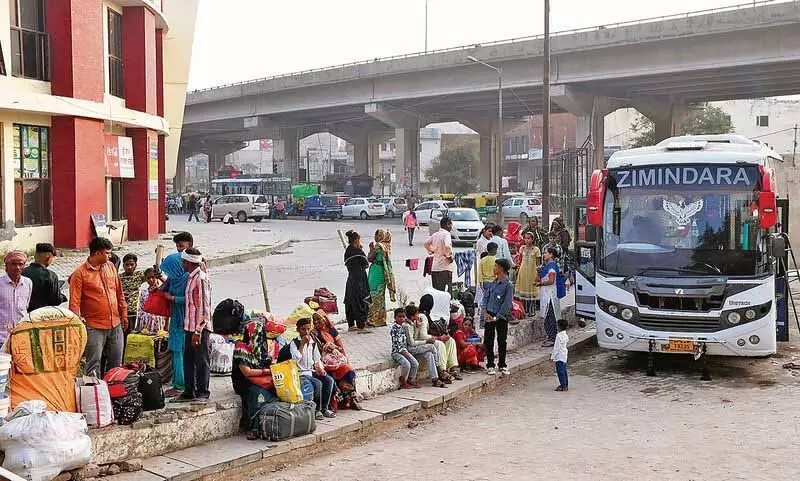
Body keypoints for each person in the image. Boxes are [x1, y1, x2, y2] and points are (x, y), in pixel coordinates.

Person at [69, 237, 127, 377]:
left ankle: (114, 395)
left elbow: (119, 292)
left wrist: (124, 314)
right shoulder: (80, 274)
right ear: (96, 253)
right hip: (94, 327)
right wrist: (78, 322)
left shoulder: (111, 267)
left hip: (115, 324)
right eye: (107, 253)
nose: (110, 256)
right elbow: (74, 302)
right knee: (93, 363)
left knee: (116, 364)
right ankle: (95, 395)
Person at [173, 248, 212, 403]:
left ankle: (202, 392)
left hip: (199, 328)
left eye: (183, 261)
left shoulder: (201, 279)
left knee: (201, 360)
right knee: (188, 359)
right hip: (189, 326)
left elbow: (204, 306)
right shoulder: (190, 277)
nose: (182, 264)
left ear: (188, 262)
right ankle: (189, 391)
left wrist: (198, 330)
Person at [233, 318, 279, 440]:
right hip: (244, 381)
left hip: (261, 379)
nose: (256, 336)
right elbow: (246, 372)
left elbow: (268, 362)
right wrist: (266, 371)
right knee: (257, 394)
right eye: (254, 333)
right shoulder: (241, 347)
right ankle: (252, 427)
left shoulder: (261, 348)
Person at [312, 312, 361, 410]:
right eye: (314, 320)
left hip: (336, 359)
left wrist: (334, 348)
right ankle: (335, 404)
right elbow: (315, 351)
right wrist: (325, 350)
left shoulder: (332, 331)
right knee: (330, 377)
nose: (316, 322)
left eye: (319, 319)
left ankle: (351, 400)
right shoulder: (314, 333)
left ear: (325, 319)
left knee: (349, 372)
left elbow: (340, 347)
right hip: (324, 362)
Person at [291, 318, 336, 420]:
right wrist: (302, 344)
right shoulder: (294, 343)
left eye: (308, 329)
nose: (306, 332)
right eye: (303, 329)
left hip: (311, 371)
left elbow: (316, 359)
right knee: (317, 384)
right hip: (300, 373)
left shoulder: (313, 343)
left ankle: (325, 408)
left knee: (329, 380)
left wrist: (320, 368)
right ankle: (317, 410)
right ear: (298, 330)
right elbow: (295, 359)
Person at [160, 251, 188, 397]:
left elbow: (190, 299)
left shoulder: (188, 278)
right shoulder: (174, 278)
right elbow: (163, 288)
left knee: (179, 352)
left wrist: (173, 298)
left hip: (185, 318)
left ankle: (180, 385)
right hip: (175, 318)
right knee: (175, 350)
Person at [405, 304, 454, 384]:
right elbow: (412, 343)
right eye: (417, 314)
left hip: (415, 348)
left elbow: (416, 335)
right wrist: (426, 341)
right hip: (410, 349)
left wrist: (417, 326)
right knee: (431, 347)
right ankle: (440, 369)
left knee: (429, 355)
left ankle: (434, 379)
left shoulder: (413, 323)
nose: (418, 315)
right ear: (413, 315)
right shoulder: (407, 326)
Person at [417, 294, 461, 379]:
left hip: (429, 338)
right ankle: (442, 371)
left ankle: (452, 367)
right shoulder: (422, 316)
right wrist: (439, 338)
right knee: (439, 344)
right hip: (421, 341)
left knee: (450, 341)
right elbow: (422, 336)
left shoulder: (427, 315)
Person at [482, 259, 513, 376]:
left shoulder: (508, 285)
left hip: (501, 316)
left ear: (501, 269)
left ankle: (502, 364)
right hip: (490, 314)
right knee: (488, 340)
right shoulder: (492, 284)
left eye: (496, 266)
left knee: (501, 341)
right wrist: (485, 312)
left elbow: (507, 303)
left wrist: (497, 316)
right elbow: (485, 298)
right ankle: (490, 364)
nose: (494, 268)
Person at [0, 251, 32, 345]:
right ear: (6, 267)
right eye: (13, 264)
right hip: (2, 337)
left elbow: (25, 307)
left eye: (20, 264)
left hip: (21, 335)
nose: (17, 267)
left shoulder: (28, 283)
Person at [23, 243, 65, 312]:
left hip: (25, 315)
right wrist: (62, 297)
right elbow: (56, 301)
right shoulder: (50, 275)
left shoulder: (22, 272)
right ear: (48, 258)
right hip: (43, 315)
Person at [367, 230, 395, 327]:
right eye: (376, 235)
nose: (376, 237)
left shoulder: (379, 246)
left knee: (374, 294)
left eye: (379, 235)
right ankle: (380, 319)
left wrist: (371, 248)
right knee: (380, 295)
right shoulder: (387, 246)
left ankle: (373, 319)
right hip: (381, 272)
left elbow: (370, 258)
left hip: (377, 272)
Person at [343, 230, 370, 331]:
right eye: (359, 240)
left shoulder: (348, 251)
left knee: (350, 299)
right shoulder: (358, 251)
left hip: (351, 279)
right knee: (361, 300)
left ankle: (351, 324)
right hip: (359, 278)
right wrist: (362, 250)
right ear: (356, 241)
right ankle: (361, 324)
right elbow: (366, 264)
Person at [390, 308, 421, 389]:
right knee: (407, 364)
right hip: (397, 352)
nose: (401, 318)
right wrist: (405, 353)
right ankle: (403, 380)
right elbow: (397, 345)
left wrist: (411, 321)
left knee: (415, 363)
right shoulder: (394, 329)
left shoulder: (403, 326)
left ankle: (410, 379)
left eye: (403, 317)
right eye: (399, 316)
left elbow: (411, 325)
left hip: (404, 350)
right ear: (395, 317)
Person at [424, 216, 454, 292]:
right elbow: (447, 245)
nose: (451, 227)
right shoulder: (446, 234)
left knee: (436, 293)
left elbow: (426, 243)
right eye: (450, 224)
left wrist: (432, 251)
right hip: (444, 268)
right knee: (446, 295)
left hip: (435, 268)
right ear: (447, 224)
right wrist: (449, 256)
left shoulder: (435, 235)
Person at [539, 246, 561, 348]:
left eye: (546, 253)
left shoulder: (551, 267)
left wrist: (540, 283)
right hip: (547, 294)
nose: (544, 255)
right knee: (548, 317)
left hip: (550, 295)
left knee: (550, 317)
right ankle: (551, 336)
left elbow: (551, 281)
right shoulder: (547, 266)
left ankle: (553, 338)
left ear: (551, 255)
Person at [515, 232, 542, 315]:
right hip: (523, 271)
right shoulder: (522, 248)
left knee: (532, 289)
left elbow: (538, 264)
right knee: (524, 289)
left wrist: (538, 274)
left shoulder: (536, 249)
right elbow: (520, 260)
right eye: (525, 238)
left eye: (528, 238)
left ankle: (532, 310)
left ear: (532, 239)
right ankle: (524, 310)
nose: (526, 240)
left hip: (532, 272)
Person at [136, 268, 168, 333]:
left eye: (153, 277)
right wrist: (138, 326)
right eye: (148, 278)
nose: (151, 280)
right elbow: (141, 309)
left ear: (157, 277)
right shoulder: (143, 292)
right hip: (146, 322)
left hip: (159, 321)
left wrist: (166, 326)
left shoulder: (163, 291)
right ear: (145, 279)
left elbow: (166, 309)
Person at [120, 253, 145, 334]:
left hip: (134, 310)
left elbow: (152, 275)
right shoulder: (119, 278)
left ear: (135, 265)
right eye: (127, 265)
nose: (129, 267)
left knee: (132, 333)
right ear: (123, 266)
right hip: (121, 310)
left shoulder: (139, 275)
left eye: (132, 264)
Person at [476, 242, 498, 328]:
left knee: (485, 302)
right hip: (494, 282)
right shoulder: (496, 260)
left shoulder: (482, 260)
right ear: (493, 250)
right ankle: (491, 321)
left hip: (485, 283)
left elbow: (480, 273)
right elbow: (497, 272)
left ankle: (482, 323)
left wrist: (481, 283)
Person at [551, 318, 570, 392]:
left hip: (559, 356)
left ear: (559, 327)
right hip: (564, 354)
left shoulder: (558, 336)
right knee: (564, 370)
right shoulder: (565, 335)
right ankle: (565, 384)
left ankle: (563, 385)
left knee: (560, 371)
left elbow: (556, 348)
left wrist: (552, 356)